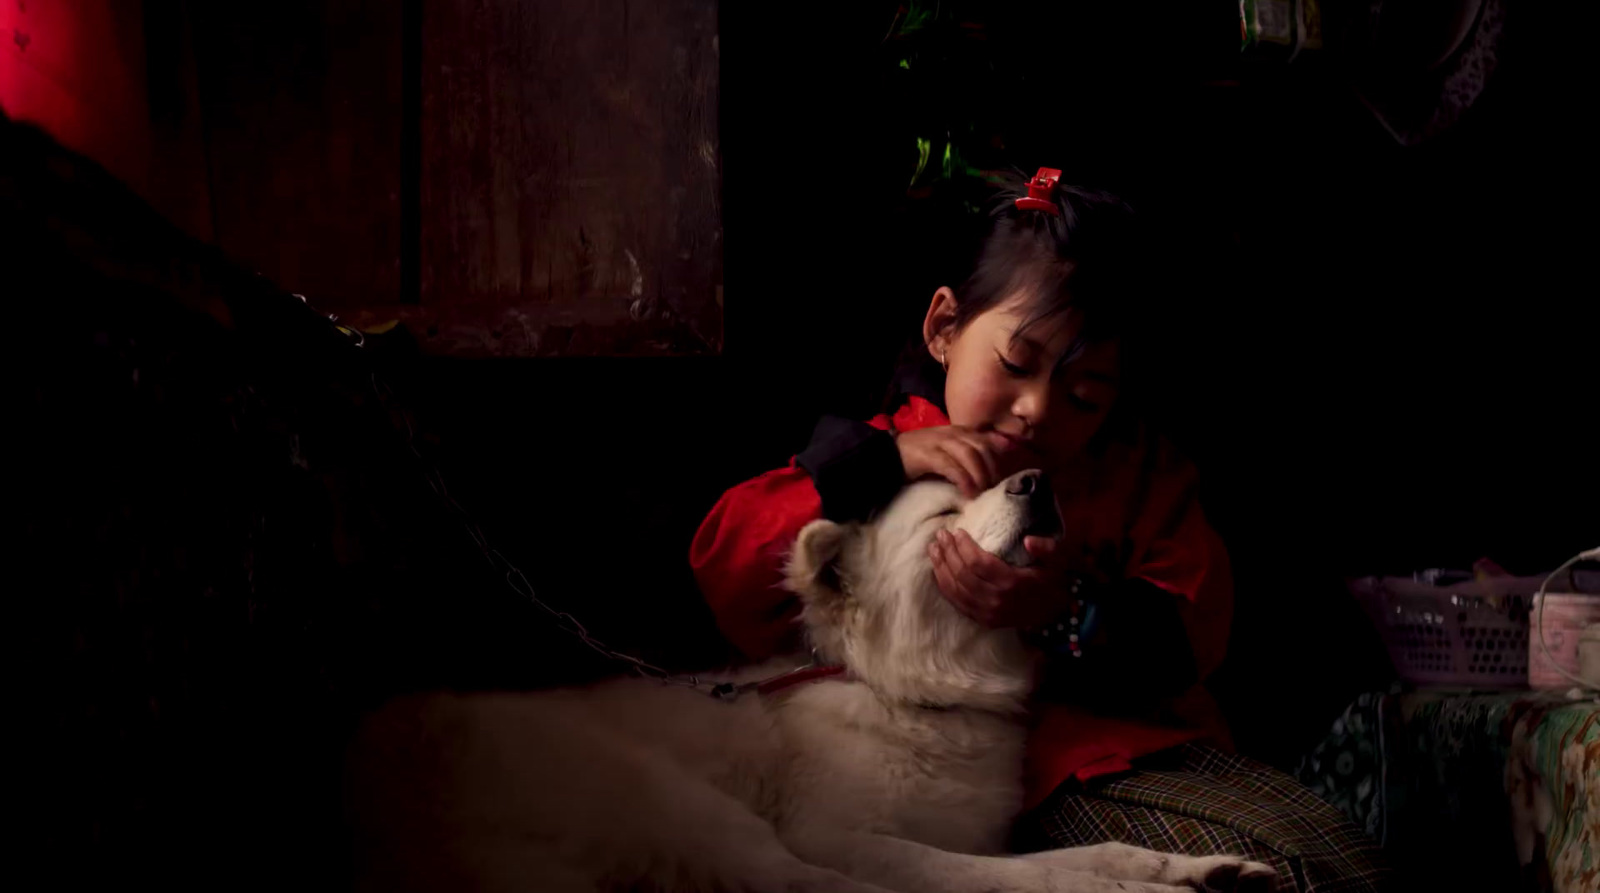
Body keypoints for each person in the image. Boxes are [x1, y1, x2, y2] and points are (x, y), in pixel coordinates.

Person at [689, 169, 1390, 891]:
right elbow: (728, 564)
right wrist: (878, 460)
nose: (1037, 409)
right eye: (1016, 364)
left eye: (1084, 396)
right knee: (1297, 869)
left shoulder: (1137, 478)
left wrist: (1065, 610)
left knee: (1333, 857)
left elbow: (1197, 626)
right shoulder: (882, 461)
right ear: (943, 328)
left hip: (1115, 755)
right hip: (930, 774)